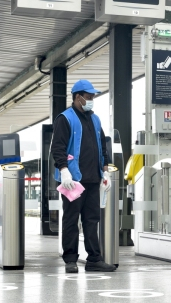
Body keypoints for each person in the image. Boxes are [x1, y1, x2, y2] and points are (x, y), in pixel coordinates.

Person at [51, 79, 115, 273]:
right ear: (78, 97)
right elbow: (58, 147)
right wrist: (63, 170)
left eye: (93, 96)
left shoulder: (95, 119)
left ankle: (94, 259)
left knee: (92, 219)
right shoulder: (65, 118)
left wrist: (105, 170)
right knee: (71, 219)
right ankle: (70, 259)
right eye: (88, 97)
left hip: (93, 178)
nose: (91, 100)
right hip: (73, 180)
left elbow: (102, 146)